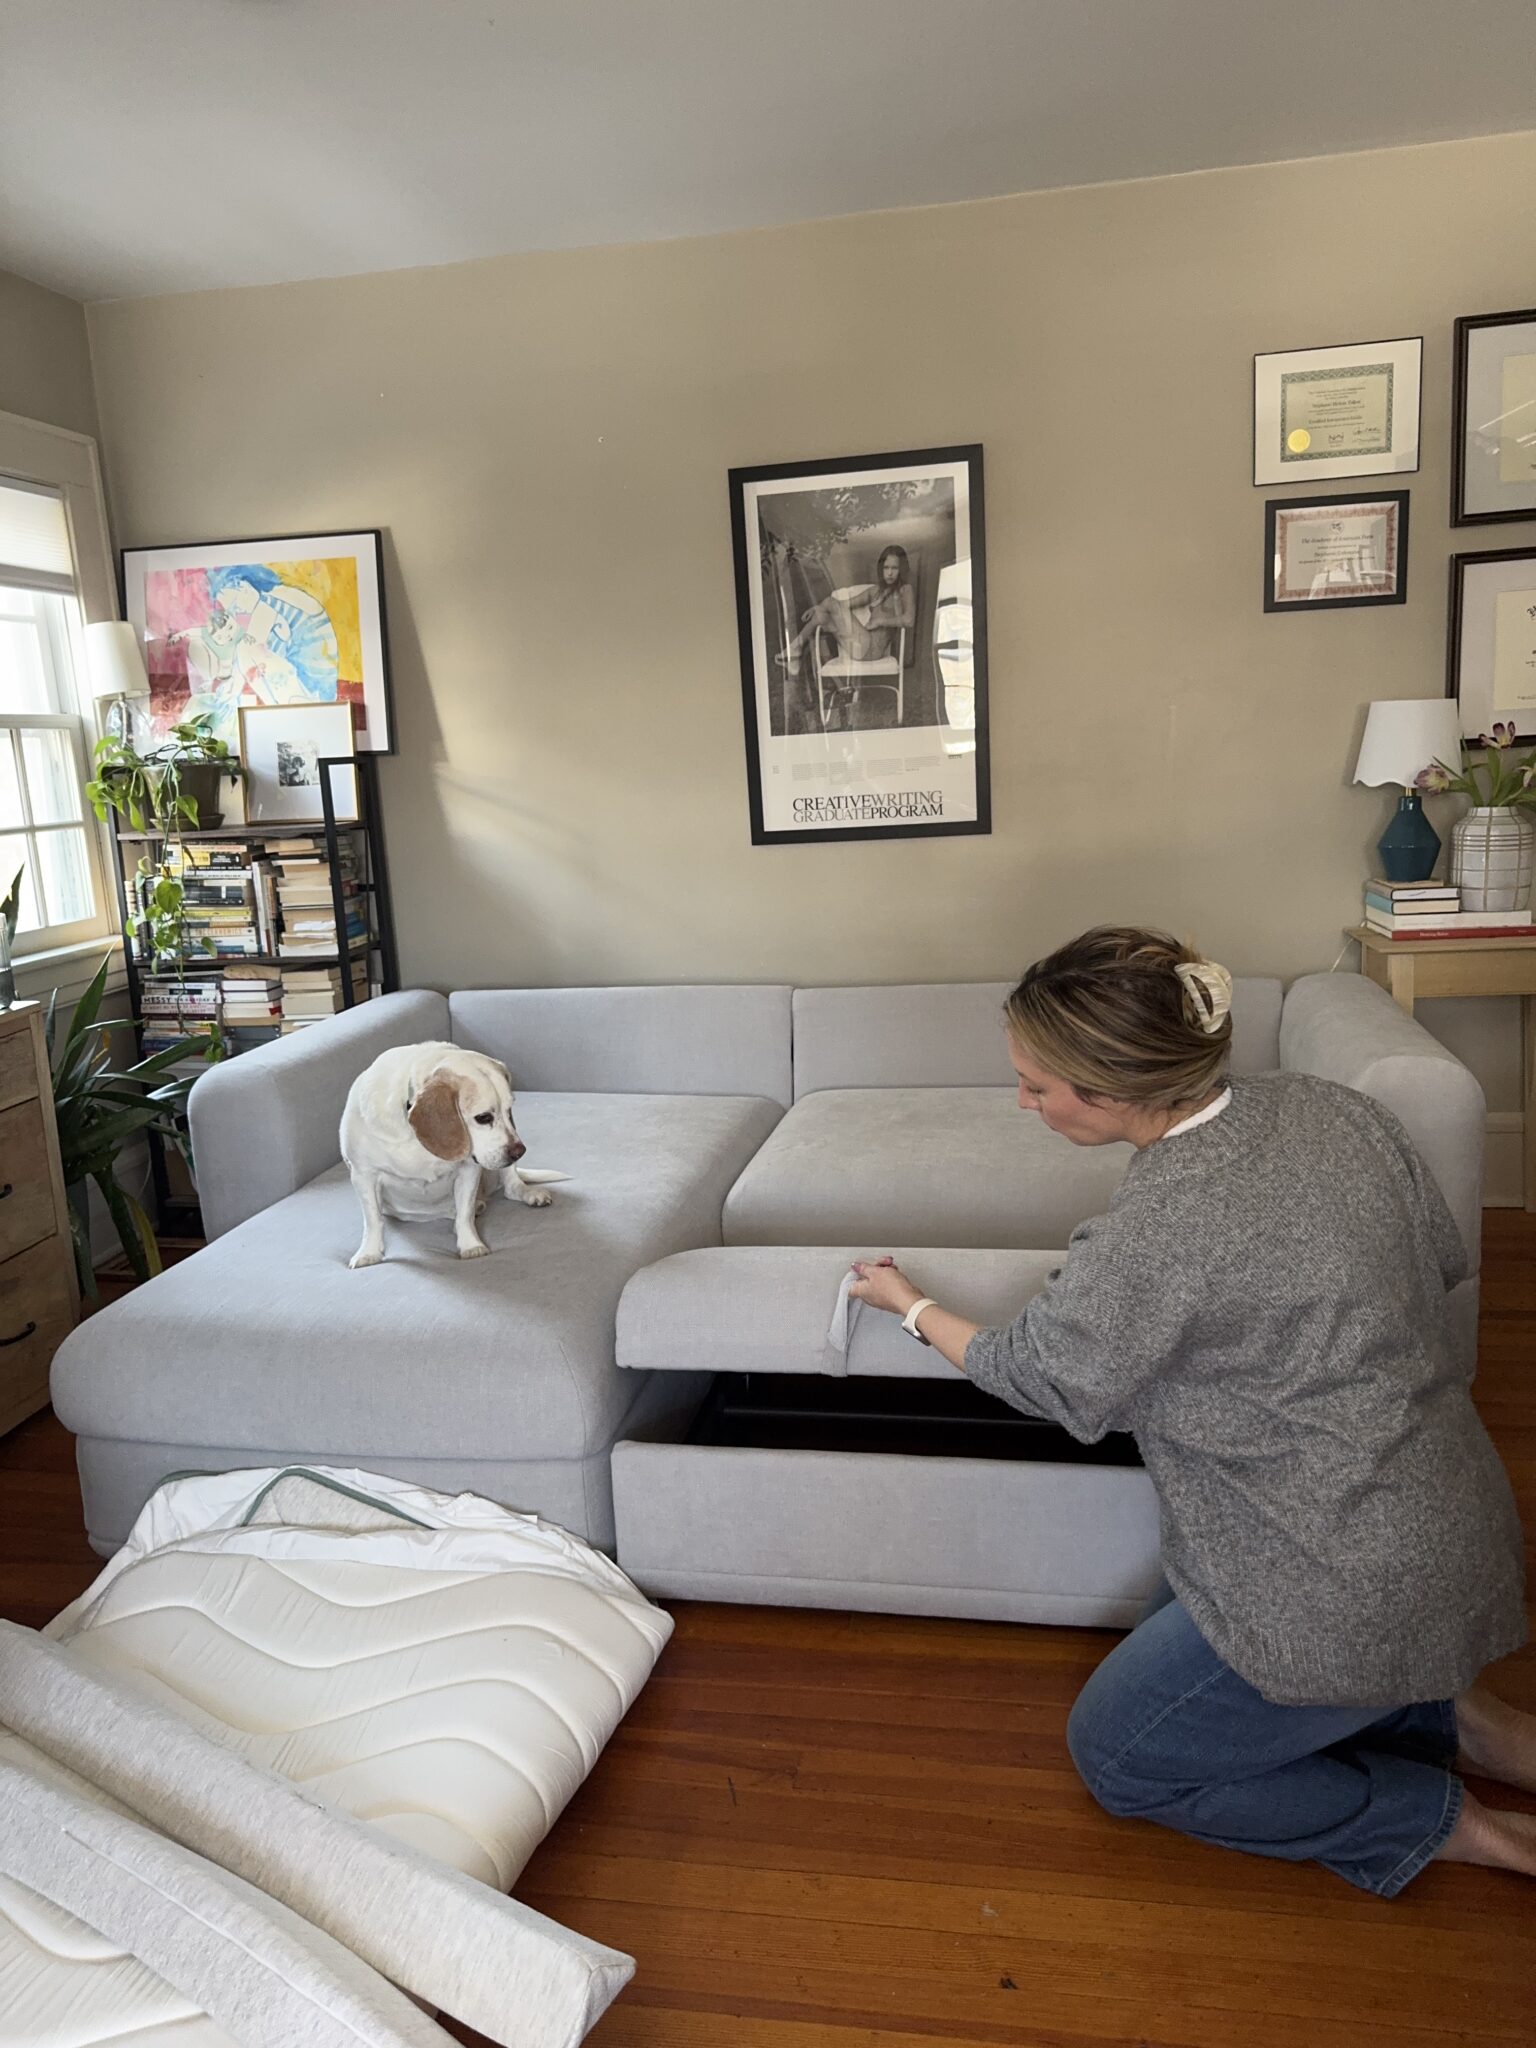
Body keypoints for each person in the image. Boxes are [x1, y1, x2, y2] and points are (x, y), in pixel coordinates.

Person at [848, 926, 1533, 1896]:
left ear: (1114, 1088)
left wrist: (907, 1304)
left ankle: (1458, 1823)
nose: (1023, 1102)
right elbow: (1439, 1264)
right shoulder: (1336, 1109)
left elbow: (1043, 1375)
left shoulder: (1153, 1232)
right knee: (1206, 1624)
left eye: (1037, 1085)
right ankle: (1474, 1723)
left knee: (1116, 1755)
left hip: (1339, 1584)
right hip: (1460, 1514)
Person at [776, 544, 916, 676]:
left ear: (901, 569)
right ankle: (795, 656)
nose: (890, 573)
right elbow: (844, 604)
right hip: (859, 646)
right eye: (886, 568)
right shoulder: (875, 591)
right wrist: (818, 607)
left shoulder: (905, 590)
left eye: (894, 568)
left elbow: (909, 620)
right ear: (881, 569)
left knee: (829, 604)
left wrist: (880, 621)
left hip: (872, 649)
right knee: (821, 616)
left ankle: (795, 650)